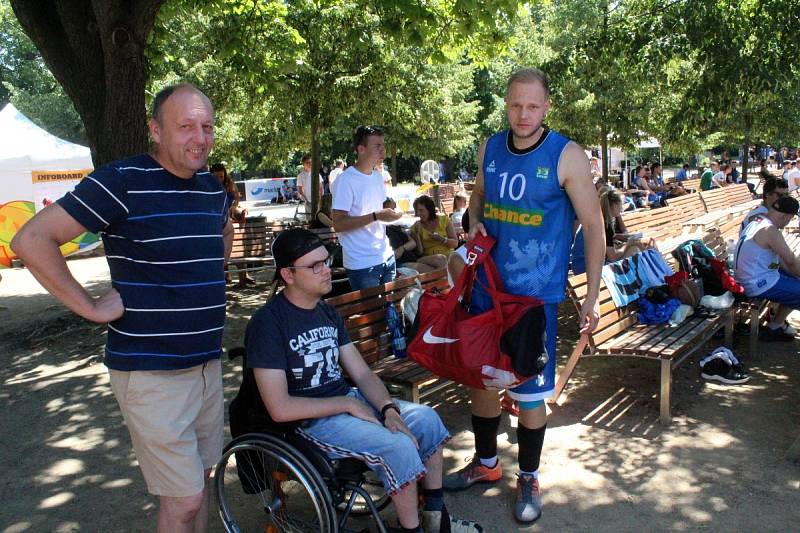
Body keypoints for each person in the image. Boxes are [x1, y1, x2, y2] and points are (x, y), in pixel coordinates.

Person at [10, 83, 234, 532]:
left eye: (207, 126)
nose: (200, 137)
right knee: (185, 498)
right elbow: (31, 240)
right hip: (151, 370)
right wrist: (90, 306)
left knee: (202, 481)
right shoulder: (122, 181)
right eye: (186, 126)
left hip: (207, 364)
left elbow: (219, 241)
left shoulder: (212, 188)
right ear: (155, 130)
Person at [442, 68, 605, 524]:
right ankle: (487, 463)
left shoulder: (565, 155)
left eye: (533, 106)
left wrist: (590, 296)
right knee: (482, 382)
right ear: (506, 103)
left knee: (531, 396)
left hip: (533, 301)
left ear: (547, 106)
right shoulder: (490, 147)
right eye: (515, 105)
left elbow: (594, 226)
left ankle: (529, 475)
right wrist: (473, 220)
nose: (523, 114)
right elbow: (477, 197)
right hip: (487, 292)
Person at [245, 228, 483, 533]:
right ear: (288, 275)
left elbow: (362, 373)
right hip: (309, 423)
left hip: (348, 403)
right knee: (398, 447)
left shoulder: (326, 313)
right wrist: (346, 404)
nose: (327, 270)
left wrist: (388, 409)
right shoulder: (268, 324)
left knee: (425, 419)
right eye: (314, 266)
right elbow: (279, 407)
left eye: (326, 261)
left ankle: (436, 521)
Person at [331, 125, 402, 290]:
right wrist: (376, 216)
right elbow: (339, 224)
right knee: (373, 315)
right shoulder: (345, 180)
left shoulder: (377, 176)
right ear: (361, 149)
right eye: (377, 146)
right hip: (361, 263)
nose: (383, 150)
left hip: (386, 255)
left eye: (383, 145)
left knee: (391, 313)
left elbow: (381, 205)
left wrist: (390, 207)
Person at [734, 195, 800, 342]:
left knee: (795, 278)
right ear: (785, 216)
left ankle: (775, 327)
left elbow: (785, 262)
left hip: (751, 277)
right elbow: (791, 262)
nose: (790, 222)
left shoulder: (759, 219)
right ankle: (774, 327)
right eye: (791, 218)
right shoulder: (769, 230)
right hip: (756, 283)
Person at [211, 162, 253, 286]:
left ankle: (241, 275)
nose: (219, 179)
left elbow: (236, 198)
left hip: (228, 220)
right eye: (216, 177)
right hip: (217, 221)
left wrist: (232, 207)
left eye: (221, 177)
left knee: (235, 246)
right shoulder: (207, 186)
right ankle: (225, 274)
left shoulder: (229, 185)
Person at [383, 198, 436, 274]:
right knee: (430, 270)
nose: (395, 208)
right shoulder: (381, 228)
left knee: (441, 259)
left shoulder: (396, 225)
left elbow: (413, 243)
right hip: (399, 262)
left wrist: (402, 248)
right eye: (392, 206)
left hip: (411, 258)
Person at [599, 189, 654, 261]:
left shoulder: (604, 220)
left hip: (608, 255)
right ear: (614, 205)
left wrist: (630, 237)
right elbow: (612, 257)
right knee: (635, 249)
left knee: (645, 242)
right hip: (606, 264)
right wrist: (628, 244)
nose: (621, 208)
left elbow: (611, 237)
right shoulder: (607, 225)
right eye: (620, 204)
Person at [410, 195, 457, 270]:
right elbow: (419, 252)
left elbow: (455, 244)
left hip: (448, 255)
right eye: (416, 211)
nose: (418, 213)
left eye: (421, 210)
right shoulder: (415, 227)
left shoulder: (444, 220)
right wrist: (416, 234)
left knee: (446, 260)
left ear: (429, 209)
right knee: (440, 260)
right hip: (430, 259)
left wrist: (442, 239)